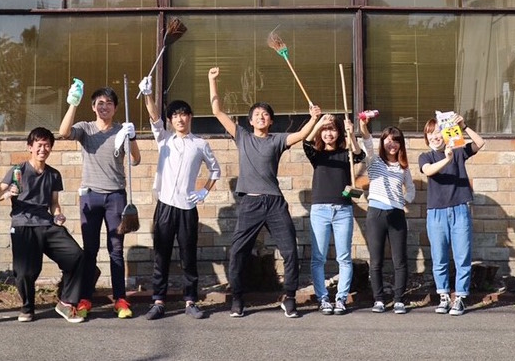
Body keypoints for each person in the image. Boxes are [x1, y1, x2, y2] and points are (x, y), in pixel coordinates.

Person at [208, 66, 321, 318]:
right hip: (250, 203)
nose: (261, 117)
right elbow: (217, 111)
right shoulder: (242, 137)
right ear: (250, 121)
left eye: (265, 114)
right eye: (257, 114)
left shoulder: (277, 140)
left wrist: (313, 118)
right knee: (239, 251)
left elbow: (301, 134)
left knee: (290, 250)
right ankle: (238, 298)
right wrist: (211, 80)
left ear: (270, 121)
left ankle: (289, 297)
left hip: (275, 203)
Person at [139, 75, 221, 320]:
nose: (180, 119)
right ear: (171, 120)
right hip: (165, 206)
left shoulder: (200, 144)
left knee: (188, 257)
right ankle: (158, 301)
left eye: (183, 114)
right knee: (161, 256)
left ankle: (190, 301)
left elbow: (215, 170)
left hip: (187, 207)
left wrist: (204, 190)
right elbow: (154, 117)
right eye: (175, 115)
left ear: (190, 117)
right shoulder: (164, 139)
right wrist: (147, 94)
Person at [59, 83, 141, 319]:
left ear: (115, 108)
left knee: (116, 249)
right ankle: (85, 298)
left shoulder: (122, 130)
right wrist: (72, 103)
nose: (104, 106)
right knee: (90, 250)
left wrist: (132, 137)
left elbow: (135, 160)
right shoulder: (85, 128)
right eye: (100, 103)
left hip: (116, 196)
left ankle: (120, 299)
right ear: (93, 107)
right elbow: (64, 132)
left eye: (109, 103)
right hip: (90, 196)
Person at [0, 127, 85, 324]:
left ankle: (66, 302)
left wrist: (58, 215)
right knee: (25, 271)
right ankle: (27, 308)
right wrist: (8, 193)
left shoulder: (54, 174)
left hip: (46, 223)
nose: (43, 149)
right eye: (39, 145)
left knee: (76, 255)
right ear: (30, 147)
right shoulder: (18, 170)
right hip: (23, 223)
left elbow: (54, 203)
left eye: (47, 145)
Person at [418, 112, 485, 316]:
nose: (434, 137)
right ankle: (444, 296)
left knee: (462, 256)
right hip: (436, 212)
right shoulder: (426, 156)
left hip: (460, 209)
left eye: (438, 132)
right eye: (430, 134)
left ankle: (460, 298)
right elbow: (428, 171)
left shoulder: (458, 151)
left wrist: (464, 126)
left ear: (446, 132)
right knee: (439, 257)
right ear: (426, 137)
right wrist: (447, 160)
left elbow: (480, 143)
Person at [303, 113, 365, 316]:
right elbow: (306, 142)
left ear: (339, 132)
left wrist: (351, 133)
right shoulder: (316, 154)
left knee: (344, 257)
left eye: (332, 129)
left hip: (343, 210)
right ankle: (323, 298)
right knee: (318, 258)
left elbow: (359, 155)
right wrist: (318, 122)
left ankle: (341, 298)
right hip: (320, 210)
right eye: (325, 130)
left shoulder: (346, 154)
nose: (328, 133)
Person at [358, 119, 415, 314]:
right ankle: (379, 299)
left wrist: (404, 200)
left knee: (400, 260)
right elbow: (366, 140)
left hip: (397, 214)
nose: (392, 144)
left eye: (396, 141)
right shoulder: (374, 160)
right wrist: (363, 125)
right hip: (376, 213)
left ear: (401, 144)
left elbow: (411, 188)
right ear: (382, 142)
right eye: (388, 140)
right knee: (376, 261)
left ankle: (399, 299)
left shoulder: (403, 167)